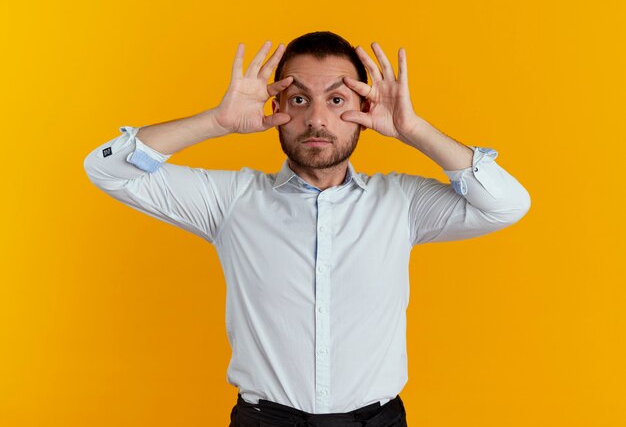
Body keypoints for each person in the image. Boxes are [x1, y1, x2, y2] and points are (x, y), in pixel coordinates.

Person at [83, 31, 531, 426]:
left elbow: (507, 205)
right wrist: (214, 122)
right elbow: (107, 170)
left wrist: (414, 130)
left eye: (336, 100)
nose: (317, 119)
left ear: (364, 108)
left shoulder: (402, 202)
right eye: (300, 99)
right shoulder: (231, 201)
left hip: (377, 420)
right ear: (277, 107)